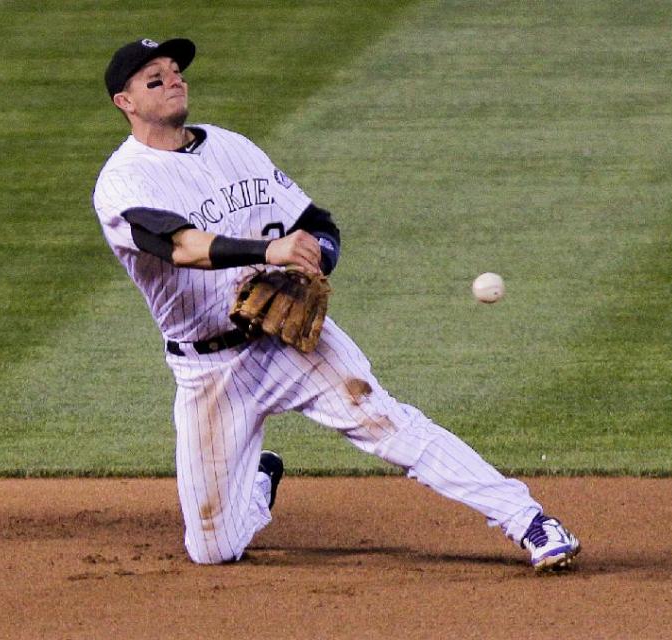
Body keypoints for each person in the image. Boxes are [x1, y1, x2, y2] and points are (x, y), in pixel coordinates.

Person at [92, 37, 581, 570]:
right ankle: (257, 479)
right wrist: (268, 250)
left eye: (175, 71)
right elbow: (183, 245)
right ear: (126, 102)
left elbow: (318, 226)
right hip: (208, 369)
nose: (173, 81)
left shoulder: (233, 147)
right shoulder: (123, 182)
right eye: (154, 79)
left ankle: (529, 521)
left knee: (385, 422)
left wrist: (315, 260)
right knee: (213, 550)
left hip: (287, 339)